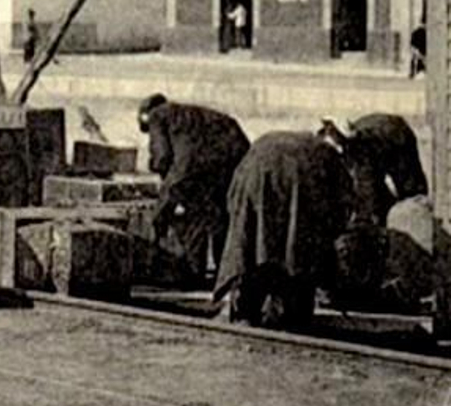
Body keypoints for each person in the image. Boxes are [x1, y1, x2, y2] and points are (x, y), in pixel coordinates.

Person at [213, 128, 356, 329]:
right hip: (293, 180)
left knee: (254, 244)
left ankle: (244, 313)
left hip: (254, 172)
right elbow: (341, 209)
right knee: (297, 252)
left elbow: (234, 203)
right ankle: (291, 317)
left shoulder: (301, 145)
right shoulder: (329, 157)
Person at [138, 94, 251, 281]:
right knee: (220, 216)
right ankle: (225, 273)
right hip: (234, 157)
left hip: (195, 167)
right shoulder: (194, 114)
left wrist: (161, 209)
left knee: (192, 216)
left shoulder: (157, 115)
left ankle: (193, 271)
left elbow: (163, 158)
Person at [325, 113, 429, 227]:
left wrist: (364, 219)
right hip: (379, 138)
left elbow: (367, 186)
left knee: (411, 194)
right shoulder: (337, 150)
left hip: (395, 138)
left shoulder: (361, 146)